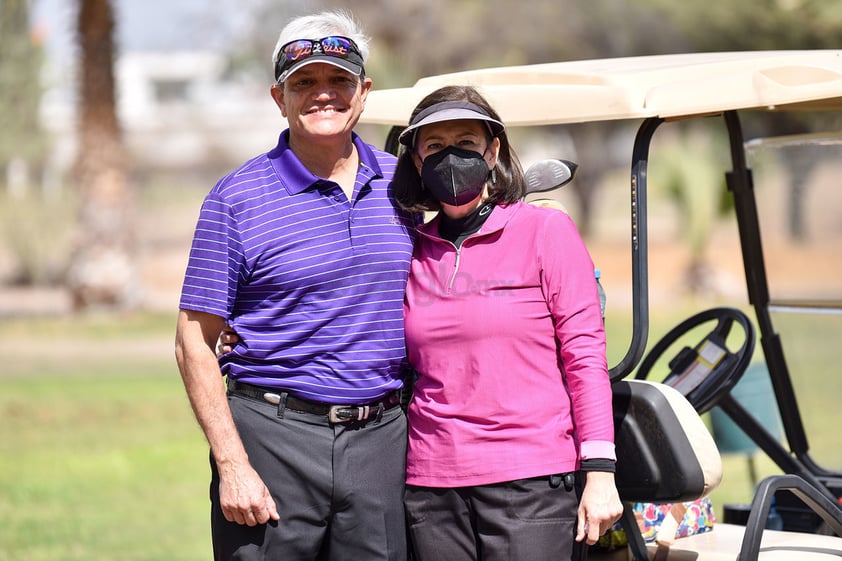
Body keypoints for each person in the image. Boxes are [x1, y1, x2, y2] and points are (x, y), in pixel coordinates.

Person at [174, 10, 417, 561]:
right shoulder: (235, 199)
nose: (322, 95)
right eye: (304, 82)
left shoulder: (405, 186)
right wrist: (233, 465)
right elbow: (193, 342)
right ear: (277, 96)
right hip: (272, 438)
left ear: (364, 92)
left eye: (338, 81)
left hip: (382, 438)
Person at [392, 85, 624, 561]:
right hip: (432, 486)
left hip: (530, 482)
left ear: (492, 150)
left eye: (465, 143)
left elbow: (584, 354)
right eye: (434, 147)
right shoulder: (410, 248)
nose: (450, 156)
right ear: (416, 160)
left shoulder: (545, 231)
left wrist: (600, 471)